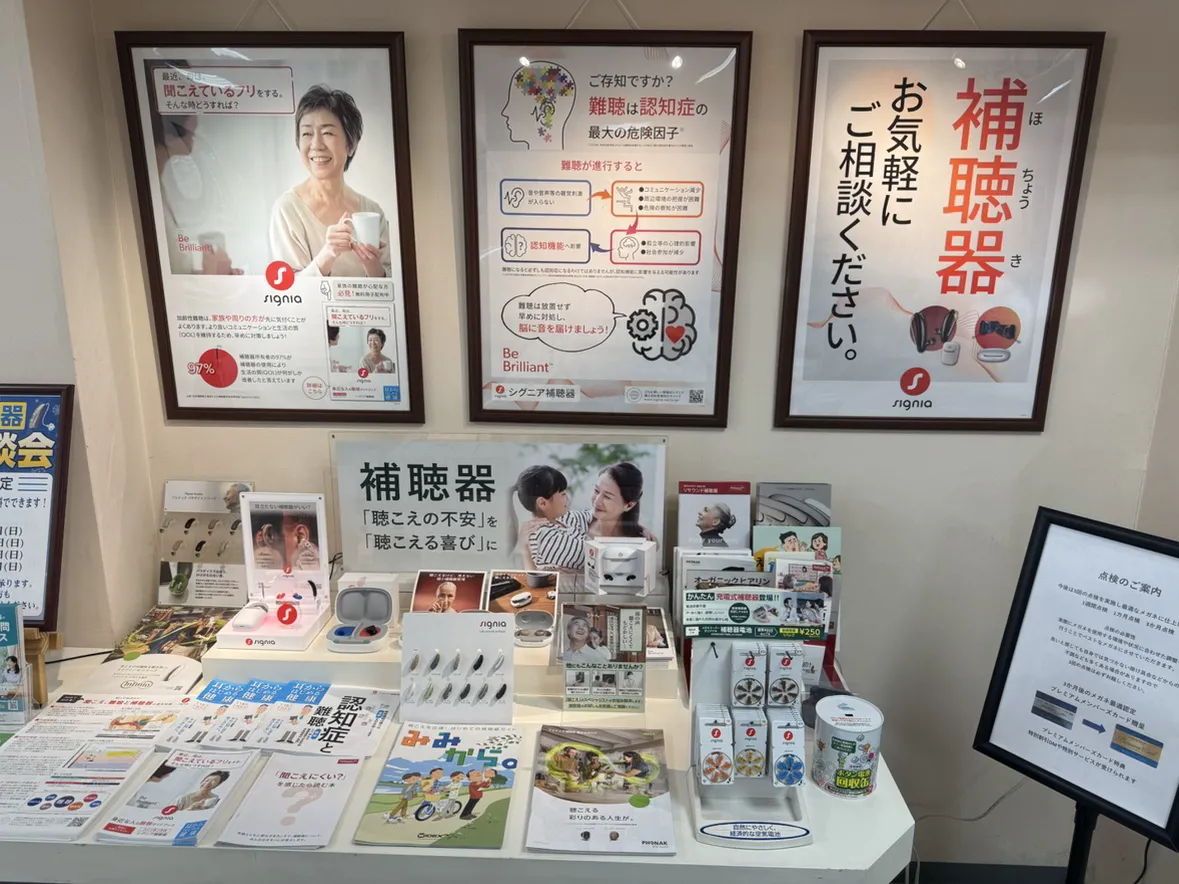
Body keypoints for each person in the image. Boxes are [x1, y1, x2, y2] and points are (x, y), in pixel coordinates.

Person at [269, 85, 391, 278]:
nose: (316, 145)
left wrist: (372, 264)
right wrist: (328, 253)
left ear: (351, 144)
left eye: (327, 133)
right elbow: (289, 289)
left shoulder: (372, 211)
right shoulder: (287, 209)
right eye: (307, 133)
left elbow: (392, 284)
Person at [510, 465, 578, 571]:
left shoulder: (559, 522)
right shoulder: (545, 536)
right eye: (563, 494)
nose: (567, 498)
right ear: (542, 503)